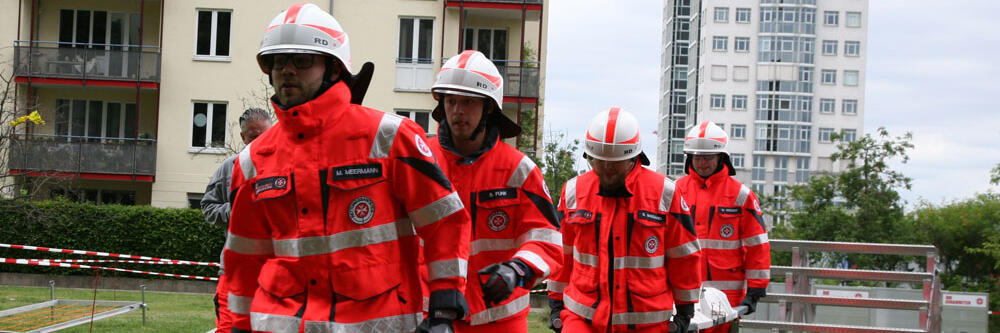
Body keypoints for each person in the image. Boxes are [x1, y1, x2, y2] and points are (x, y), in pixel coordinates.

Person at [219, 3, 471, 332]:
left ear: (334, 68)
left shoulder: (390, 137)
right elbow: (243, 258)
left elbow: (443, 223)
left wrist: (444, 307)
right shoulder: (254, 160)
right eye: (277, 61)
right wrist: (235, 326)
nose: (287, 70)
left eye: (302, 60)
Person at [426, 50, 562, 332]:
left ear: (489, 107)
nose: (457, 111)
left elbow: (547, 239)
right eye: (451, 101)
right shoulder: (423, 160)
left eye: (468, 102)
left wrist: (517, 270)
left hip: (500, 320)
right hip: (433, 316)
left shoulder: (518, 170)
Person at [547, 108, 703, 333]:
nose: (607, 171)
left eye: (615, 164)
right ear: (589, 157)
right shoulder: (573, 192)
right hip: (582, 319)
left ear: (633, 158)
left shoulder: (665, 193)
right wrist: (555, 305)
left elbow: (684, 257)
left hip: (646, 323)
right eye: (600, 163)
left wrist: (685, 314)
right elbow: (563, 253)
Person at [675, 121, 771, 332]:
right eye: (697, 157)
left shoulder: (741, 195)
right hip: (684, 294)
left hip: (727, 298)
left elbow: (758, 245)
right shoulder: (675, 191)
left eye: (708, 157)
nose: (702, 163)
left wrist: (756, 290)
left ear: (721, 157)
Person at [202, 107, 273, 329]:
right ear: (243, 137)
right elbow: (208, 207)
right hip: (234, 270)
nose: (261, 141)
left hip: (276, 268)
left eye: (265, 135)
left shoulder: (285, 165)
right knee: (228, 326)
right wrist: (239, 212)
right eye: (254, 136)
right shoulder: (228, 168)